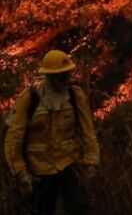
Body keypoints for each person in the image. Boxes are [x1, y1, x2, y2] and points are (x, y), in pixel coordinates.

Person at [4, 49, 100, 215]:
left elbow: (88, 132)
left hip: (69, 164)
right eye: (60, 75)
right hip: (40, 171)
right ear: (49, 76)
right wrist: (21, 172)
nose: (65, 79)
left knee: (78, 208)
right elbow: (14, 138)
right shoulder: (30, 98)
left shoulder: (75, 96)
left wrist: (91, 162)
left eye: (66, 74)